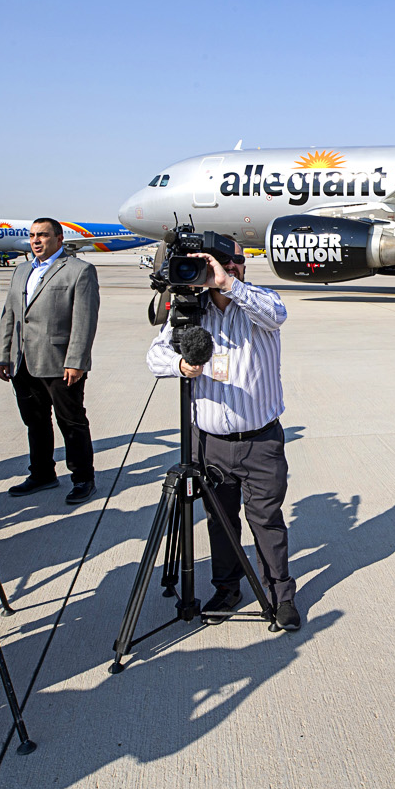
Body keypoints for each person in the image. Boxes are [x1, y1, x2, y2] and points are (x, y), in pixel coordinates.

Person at [144, 243, 300, 629]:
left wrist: (228, 283)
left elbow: (277, 316)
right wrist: (180, 364)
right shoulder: (191, 313)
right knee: (220, 521)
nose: (231, 268)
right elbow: (154, 355)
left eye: (237, 264)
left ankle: (280, 596)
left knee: (265, 519)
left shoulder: (259, 302)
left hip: (260, 440)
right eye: (222, 263)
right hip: (210, 441)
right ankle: (227, 588)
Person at [0, 218, 100, 504]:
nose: (35, 240)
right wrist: (3, 355)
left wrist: (77, 360)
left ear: (58, 238)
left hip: (60, 361)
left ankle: (83, 478)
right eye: (32, 236)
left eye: (42, 235)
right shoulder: (21, 271)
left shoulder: (79, 270)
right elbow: (10, 316)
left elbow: (84, 320)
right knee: (35, 422)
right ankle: (42, 474)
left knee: (71, 421)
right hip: (22, 361)